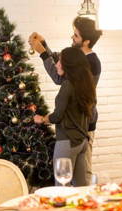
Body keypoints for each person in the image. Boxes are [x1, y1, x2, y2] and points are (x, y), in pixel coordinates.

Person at [29, 17, 102, 185]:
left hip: (79, 128)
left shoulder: (89, 63)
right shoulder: (78, 58)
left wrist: (42, 53)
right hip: (77, 129)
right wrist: (44, 45)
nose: (72, 38)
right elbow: (61, 62)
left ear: (86, 41)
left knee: (77, 177)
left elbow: (58, 75)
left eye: (75, 35)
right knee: (77, 179)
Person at [34, 47, 96, 186]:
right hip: (81, 142)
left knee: (61, 188)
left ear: (70, 65)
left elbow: (57, 116)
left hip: (66, 143)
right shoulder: (86, 84)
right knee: (82, 187)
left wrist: (42, 119)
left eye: (60, 62)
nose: (57, 64)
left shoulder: (67, 85)